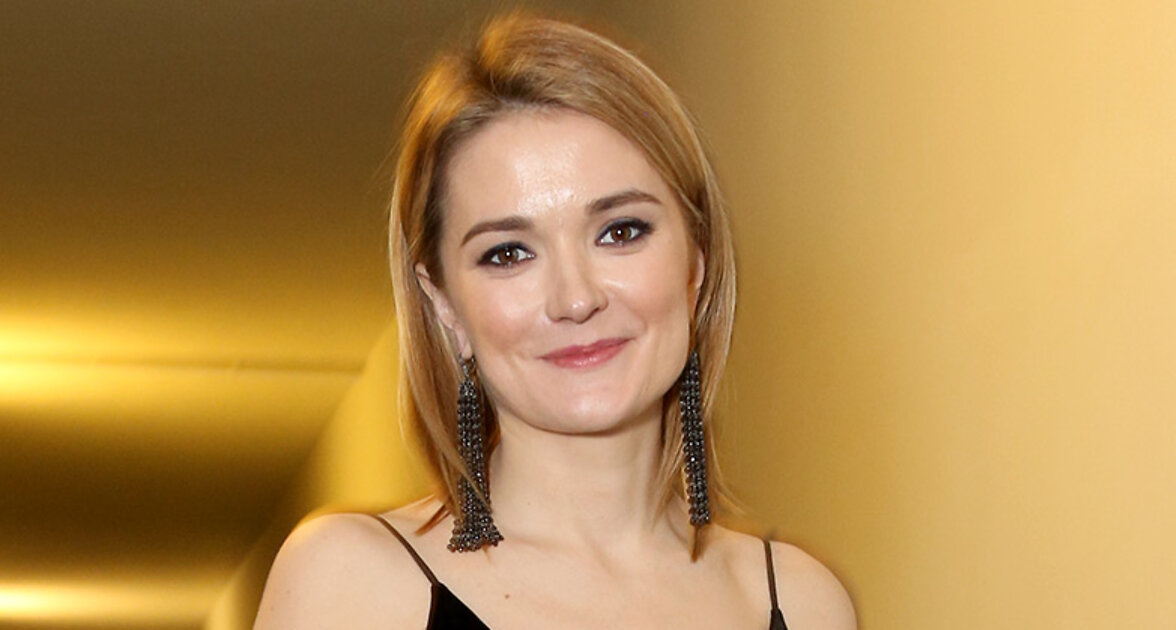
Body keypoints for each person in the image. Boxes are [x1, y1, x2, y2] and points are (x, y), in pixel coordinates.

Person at [255, 13, 855, 630]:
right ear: (445, 305)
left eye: (620, 232)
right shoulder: (353, 582)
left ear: (695, 263)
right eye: (508, 253)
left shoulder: (804, 602)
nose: (575, 299)